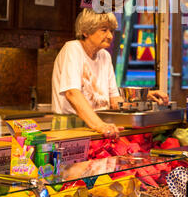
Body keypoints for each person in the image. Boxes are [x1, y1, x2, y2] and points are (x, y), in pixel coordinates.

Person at [52, 9, 169, 138]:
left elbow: (114, 100)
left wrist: (143, 96)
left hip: (100, 123)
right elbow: (72, 93)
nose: (110, 36)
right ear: (86, 31)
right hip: (73, 125)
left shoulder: (105, 56)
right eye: (104, 30)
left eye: (112, 31)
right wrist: (100, 126)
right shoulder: (73, 49)